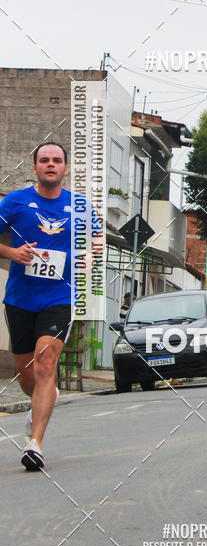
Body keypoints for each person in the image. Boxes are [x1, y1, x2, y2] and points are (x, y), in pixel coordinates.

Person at [0, 142, 98, 471]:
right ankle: (42, 397)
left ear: (65, 168)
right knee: (27, 374)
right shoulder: (15, 202)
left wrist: (90, 255)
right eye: (44, 160)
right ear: (35, 168)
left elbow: (96, 242)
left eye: (57, 160)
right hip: (20, 298)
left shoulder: (81, 207)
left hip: (60, 298)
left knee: (45, 364)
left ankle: (35, 444)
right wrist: (12, 253)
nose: (51, 164)